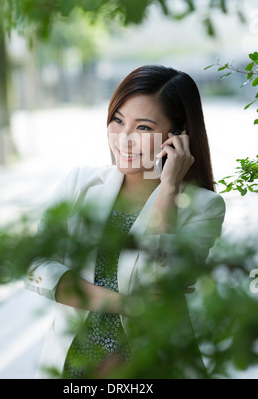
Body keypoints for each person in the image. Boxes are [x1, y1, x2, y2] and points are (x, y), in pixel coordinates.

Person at [25, 65, 226, 379]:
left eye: (143, 127)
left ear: (179, 135)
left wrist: (169, 189)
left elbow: (158, 285)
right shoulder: (80, 183)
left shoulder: (203, 207)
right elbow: (36, 266)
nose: (124, 139)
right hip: (72, 368)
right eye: (118, 120)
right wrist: (124, 303)